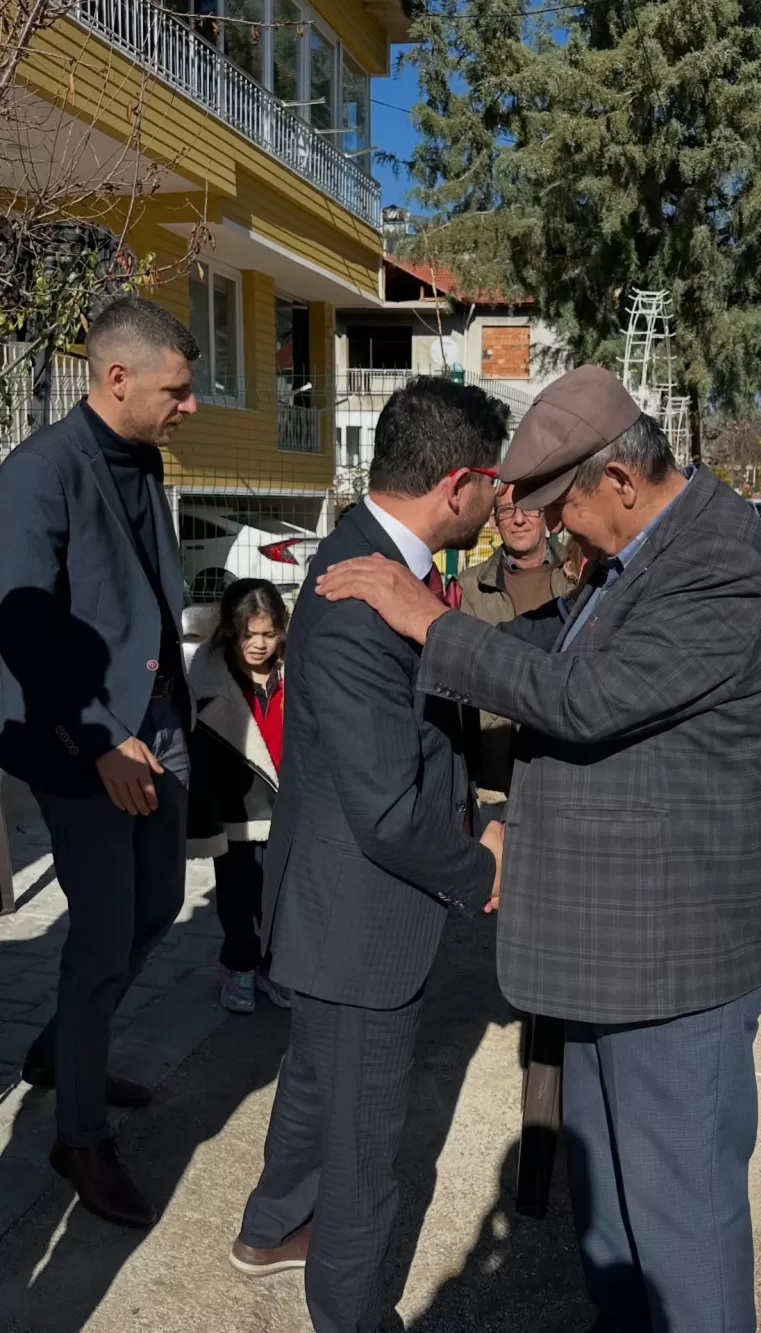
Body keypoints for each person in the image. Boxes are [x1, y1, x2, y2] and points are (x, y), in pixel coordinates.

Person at [315, 364, 761, 1333]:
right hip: (611, 953)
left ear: (620, 479)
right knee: (614, 1215)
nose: (557, 530)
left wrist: (434, 621)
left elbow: (587, 698)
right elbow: (567, 658)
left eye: (563, 506)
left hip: (676, 956)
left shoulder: (724, 557)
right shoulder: (639, 551)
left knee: (682, 1230)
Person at [230, 376, 507, 1333]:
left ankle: (270, 1228)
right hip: (357, 923)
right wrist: (481, 868)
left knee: (318, 1088)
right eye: (494, 483)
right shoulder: (358, 594)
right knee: (363, 1143)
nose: (498, 502)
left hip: (335, 914)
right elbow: (388, 810)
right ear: (459, 483)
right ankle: (351, 1312)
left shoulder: (379, 560)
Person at [0, 296, 198, 1228]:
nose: (190, 405)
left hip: (154, 728)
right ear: (116, 378)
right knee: (99, 940)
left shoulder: (143, 458)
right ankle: (77, 1136)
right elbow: (22, 634)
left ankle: (56, 1051)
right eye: (179, 389)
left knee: (159, 904)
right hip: (82, 743)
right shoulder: (38, 475)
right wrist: (95, 738)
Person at [186, 578, 292, 1014]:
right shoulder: (211, 678)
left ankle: (271, 966)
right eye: (250, 635)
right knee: (238, 895)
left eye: (269, 634)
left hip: (287, 806)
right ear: (231, 630)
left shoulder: (294, 673)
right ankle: (238, 965)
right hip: (237, 810)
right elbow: (201, 755)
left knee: (280, 897)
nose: (260, 645)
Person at [456, 484, 576, 803]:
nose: (519, 519)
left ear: (547, 515)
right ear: (494, 522)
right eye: (507, 510)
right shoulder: (470, 588)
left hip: (565, 772)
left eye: (530, 508)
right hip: (494, 778)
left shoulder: (578, 578)